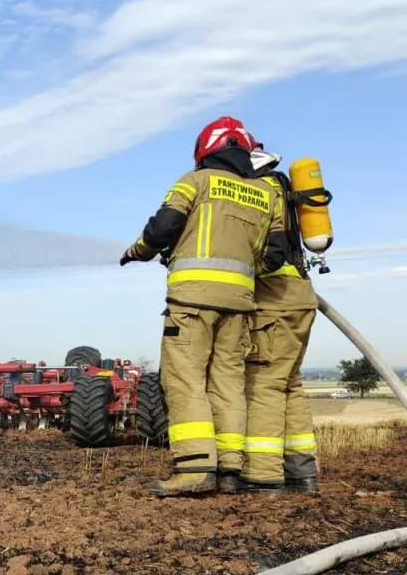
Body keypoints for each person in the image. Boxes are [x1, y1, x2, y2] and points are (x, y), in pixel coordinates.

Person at [120, 116, 285, 496]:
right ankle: (229, 469)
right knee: (228, 383)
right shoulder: (266, 193)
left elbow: (161, 229)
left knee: (184, 380)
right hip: (240, 305)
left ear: (206, 150)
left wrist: (138, 252)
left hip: (191, 301)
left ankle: (194, 470)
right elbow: (273, 255)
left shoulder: (194, 181)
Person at [230, 146, 320, 493]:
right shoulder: (281, 188)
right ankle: (302, 473)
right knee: (289, 384)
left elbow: (269, 249)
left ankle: (263, 476)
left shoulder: (258, 193)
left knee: (263, 384)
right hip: (300, 297)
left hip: (274, 300)